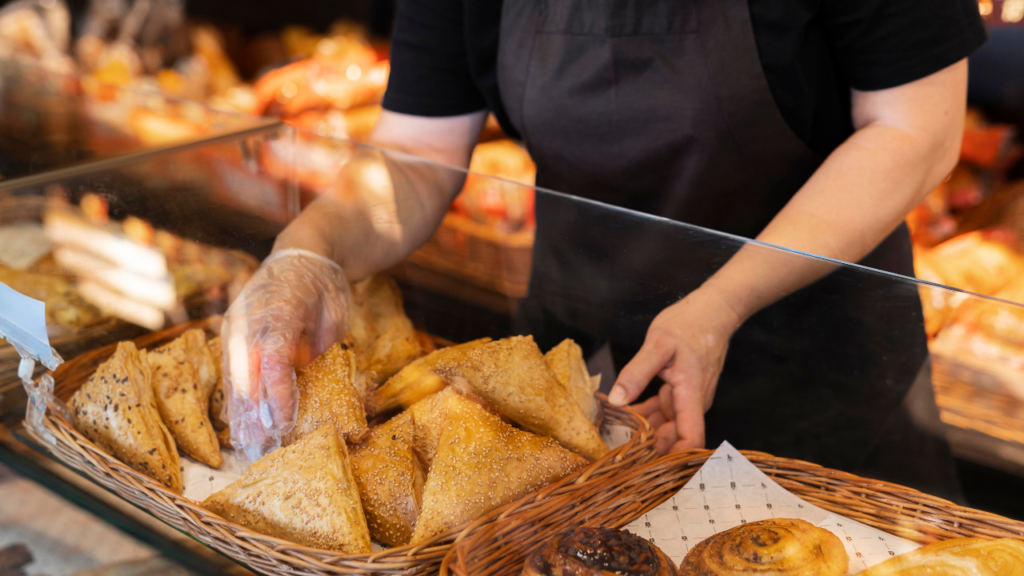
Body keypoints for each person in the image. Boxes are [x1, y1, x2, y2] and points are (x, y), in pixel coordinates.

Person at [223, 0, 985, 495]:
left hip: (815, 370)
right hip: (572, 377)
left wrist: (721, 303)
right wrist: (307, 253)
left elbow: (915, 129)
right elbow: (415, 156)